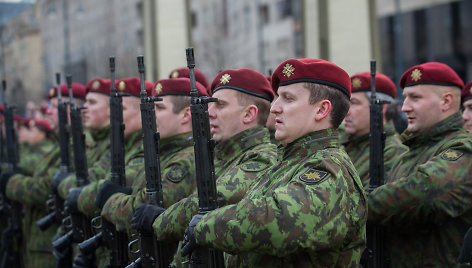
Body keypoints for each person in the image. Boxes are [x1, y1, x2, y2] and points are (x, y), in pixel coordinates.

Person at [177, 58, 367, 267]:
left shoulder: (329, 168)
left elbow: (276, 219)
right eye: (277, 97)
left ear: (321, 110)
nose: (275, 108)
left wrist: (205, 226)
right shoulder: (288, 163)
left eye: (288, 99)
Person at [131, 68, 278, 266]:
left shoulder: (262, 158)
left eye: (220, 105)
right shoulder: (221, 156)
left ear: (249, 114)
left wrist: (160, 219)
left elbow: (215, 198)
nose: (209, 113)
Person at [367, 62, 472, 266]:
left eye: (415, 98)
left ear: (446, 102)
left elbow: (423, 188)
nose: (405, 107)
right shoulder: (410, 152)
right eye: (405, 97)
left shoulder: (464, 148)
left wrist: (351, 206)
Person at [99, 77, 207, 234]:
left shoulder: (187, 159)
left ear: (186, 115)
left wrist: (109, 200)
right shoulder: (165, 151)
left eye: (160, 108)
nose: (151, 114)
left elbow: (140, 209)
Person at [0, 82, 86, 268]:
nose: (48, 111)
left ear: (76, 109)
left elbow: (46, 188)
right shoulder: (59, 145)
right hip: (39, 243)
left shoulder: (78, 146)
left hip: (51, 245)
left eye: (56, 107)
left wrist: (10, 183)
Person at [343, 72, 407, 190]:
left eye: (354, 103)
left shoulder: (392, 152)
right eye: (347, 103)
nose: (347, 112)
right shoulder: (347, 143)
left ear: (381, 107)